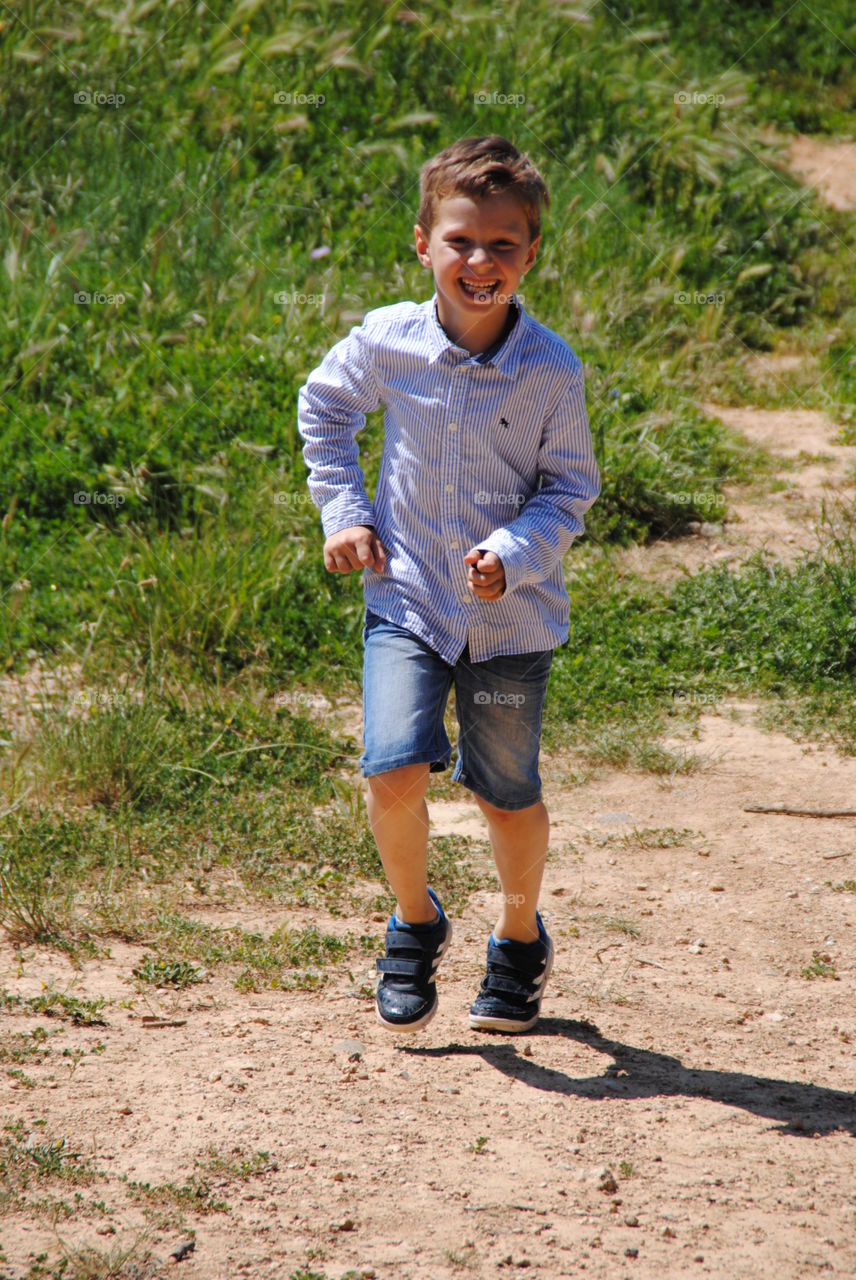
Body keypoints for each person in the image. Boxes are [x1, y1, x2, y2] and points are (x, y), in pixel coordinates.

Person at [298, 135, 600, 1034]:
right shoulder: (387, 340)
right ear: (423, 242)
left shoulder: (552, 371)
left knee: (505, 789)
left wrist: (512, 551)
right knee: (391, 763)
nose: (481, 262)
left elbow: (571, 488)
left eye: (503, 245)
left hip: (512, 620)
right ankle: (414, 923)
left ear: (532, 254)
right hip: (408, 598)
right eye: (462, 240)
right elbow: (325, 407)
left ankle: (517, 940)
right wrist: (345, 513)